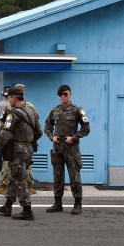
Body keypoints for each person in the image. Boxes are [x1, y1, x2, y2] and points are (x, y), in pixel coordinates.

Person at [0, 87, 42, 220]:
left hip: (17, 151)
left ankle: (27, 210)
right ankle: (8, 206)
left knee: (20, 179)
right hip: (28, 150)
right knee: (14, 177)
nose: (8, 101)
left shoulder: (14, 114)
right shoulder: (31, 112)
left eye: (9, 98)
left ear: (14, 98)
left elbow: (5, 134)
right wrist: (28, 141)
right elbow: (39, 132)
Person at [44, 84, 90, 215]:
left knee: (74, 176)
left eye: (65, 94)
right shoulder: (55, 110)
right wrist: (52, 137)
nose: (63, 96)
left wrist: (74, 138)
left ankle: (77, 204)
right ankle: (57, 203)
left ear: (70, 94)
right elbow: (47, 126)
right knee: (57, 176)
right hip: (58, 148)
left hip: (71, 148)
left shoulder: (77, 110)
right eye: (61, 94)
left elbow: (86, 128)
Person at [0, 84, 38, 195]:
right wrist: (31, 138)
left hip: (12, 142)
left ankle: (6, 187)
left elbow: (3, 125)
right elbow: (37, 127)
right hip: (28, 143)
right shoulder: (31, 107)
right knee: (27, 166)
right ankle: (28, 187)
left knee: (8, 164)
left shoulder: (8, 107)